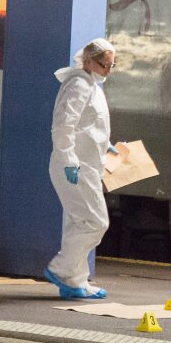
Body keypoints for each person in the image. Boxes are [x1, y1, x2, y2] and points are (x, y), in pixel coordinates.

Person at [43, 38, 122, 300]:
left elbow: (87, 123)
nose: (108, 71)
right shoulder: (78, 85)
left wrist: (104, 144)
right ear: (88, 61)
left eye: (112, 65)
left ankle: (75, 281)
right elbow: (63, 126)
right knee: (95, 222)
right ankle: (62, 268)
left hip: (85, 164)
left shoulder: (91, 85)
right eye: (104, 65)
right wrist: (69, 160)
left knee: (79, 222)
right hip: (76, 166)